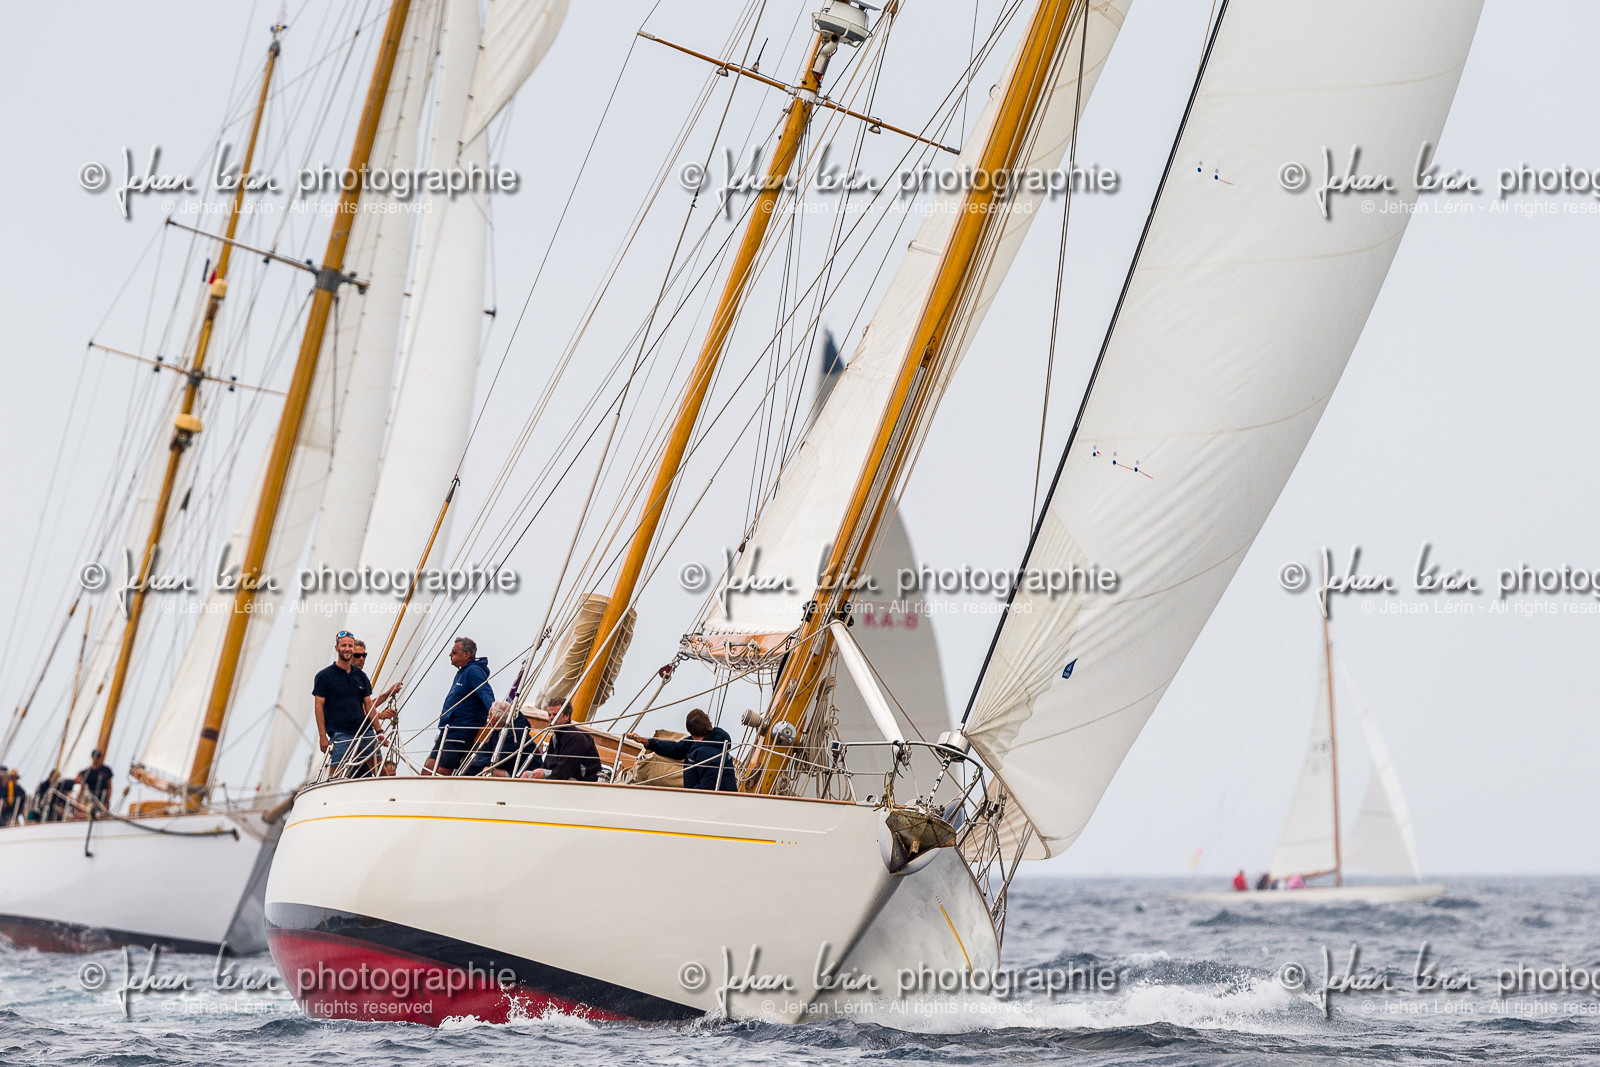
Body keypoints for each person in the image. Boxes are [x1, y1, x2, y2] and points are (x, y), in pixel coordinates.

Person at [313, 631, 399, 777]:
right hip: (341, 734)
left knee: (381, 773)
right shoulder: (324, 676)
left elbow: (369, 705)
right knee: (335, 777)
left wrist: (379, 732)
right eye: (344, 645)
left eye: (350, 646)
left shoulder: (361, 676)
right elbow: (318, 707)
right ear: (337, 648)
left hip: (365, 732)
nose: (347, 648)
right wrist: (322, 736)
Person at [424, 638, 494, 775]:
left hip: (460, 730)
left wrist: (492, 711)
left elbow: (485, 692)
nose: (450, 654)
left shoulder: (473, 671)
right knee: (427, 770)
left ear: (466, 654)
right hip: (448, 730)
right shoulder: (462, 672)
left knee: (442, 772)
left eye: (454, 652)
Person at [627, 709, 738, 792]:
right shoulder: (708, 739)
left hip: (712, 804)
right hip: (700, 799)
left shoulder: (710, 755)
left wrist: (685, 797)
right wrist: (648, 742)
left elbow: (708, 789)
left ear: (691, 731)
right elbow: (676, 748)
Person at [525, 701, 600, 782]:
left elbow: (565, 770)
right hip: (561, 775)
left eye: (555, 714)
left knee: (537, 774)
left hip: (579, 780)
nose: (551, 718)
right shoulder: (555, 736)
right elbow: (547, 764)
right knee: (525, 775)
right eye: (549, 715)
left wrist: (545, 781)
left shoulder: (575, 737)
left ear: (566, 716)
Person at [463, 701, 534, 777]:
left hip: (519, 771)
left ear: (496, 719)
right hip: (509, 768)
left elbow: (502, 760)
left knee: (488, 771)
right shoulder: (498, 731)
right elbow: (484, 750)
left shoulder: (515, 733)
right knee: (469, 769)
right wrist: (478, 762)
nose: (488, 718)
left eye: (489, 715)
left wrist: (481, 763)